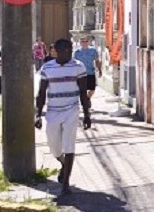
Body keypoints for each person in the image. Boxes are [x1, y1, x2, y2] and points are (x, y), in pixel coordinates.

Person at [35, 39, 91, 195]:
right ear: (56, 51)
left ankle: (66, 183)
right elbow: (41, 93)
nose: (69, 53)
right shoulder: (47, 68)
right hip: (53, 111)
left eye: (70, 49)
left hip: (72, 110)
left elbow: (83, 92)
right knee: (54, 147)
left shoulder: (78, 67)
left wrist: (87, 114)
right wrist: (37, 114)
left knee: (69, 146)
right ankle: (64, 163)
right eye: (66, 50)